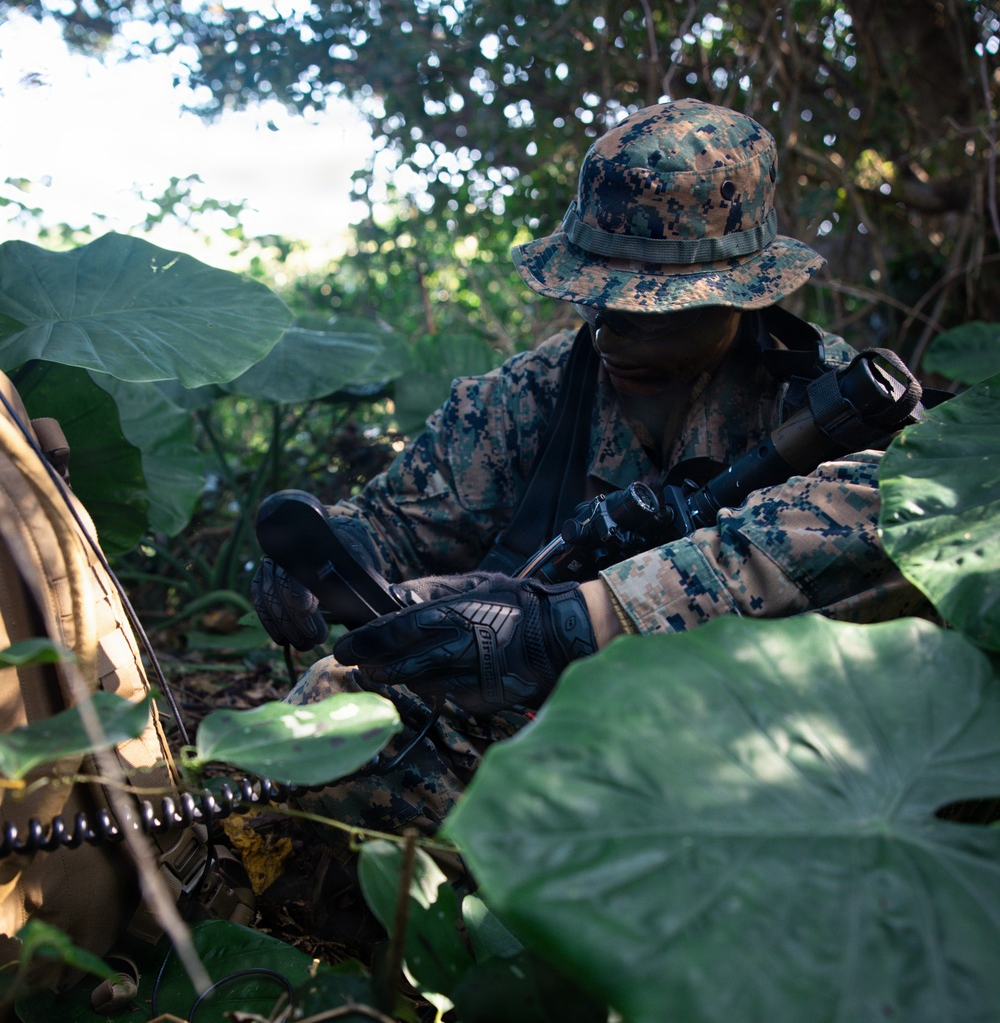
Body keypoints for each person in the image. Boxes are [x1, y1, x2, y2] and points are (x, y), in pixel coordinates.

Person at [252, 98, 926, 838]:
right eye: (595, 297)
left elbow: (894, 530)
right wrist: (329, 563)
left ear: (740, 294)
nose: (608, 330)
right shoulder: (537, 394)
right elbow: (402, 518)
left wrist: (577, 622)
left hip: (755, 763)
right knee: (334, 722)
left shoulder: (834, 413)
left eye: (649, 306)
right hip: (541, 741)